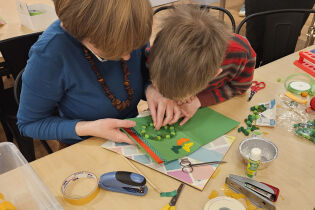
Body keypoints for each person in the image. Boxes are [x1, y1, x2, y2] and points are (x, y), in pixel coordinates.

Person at [17, 0, 181, 147]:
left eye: (132, 47)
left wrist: (152, 88)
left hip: (132, 135)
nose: (127, 56)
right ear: (78, 35)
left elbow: (143, 73)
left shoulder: (131, 26)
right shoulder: (50, 54)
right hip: (84, 145)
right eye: (114, 51)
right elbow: (29, 124)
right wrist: (89, 128)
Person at [148, 6, 256, 125]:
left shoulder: (242, 53)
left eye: (183, 96)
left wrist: (200, 100)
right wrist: (156, 91)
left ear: (215, 74)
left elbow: (239, 87)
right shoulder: (156, 53)